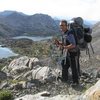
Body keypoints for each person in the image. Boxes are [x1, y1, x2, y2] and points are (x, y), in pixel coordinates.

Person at [54, 20, 80, 85]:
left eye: (62, 25)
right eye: (60, 25)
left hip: (73, 53)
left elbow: (73, 44)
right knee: (64, 65)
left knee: (73, 67)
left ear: (66, 26)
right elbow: (66, 43)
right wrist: (59, 43)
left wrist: (64, 47)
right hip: (67, 53)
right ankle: (64, 79)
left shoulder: (69, 33)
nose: (61, 27)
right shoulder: (64, 33)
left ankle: (76, 82)